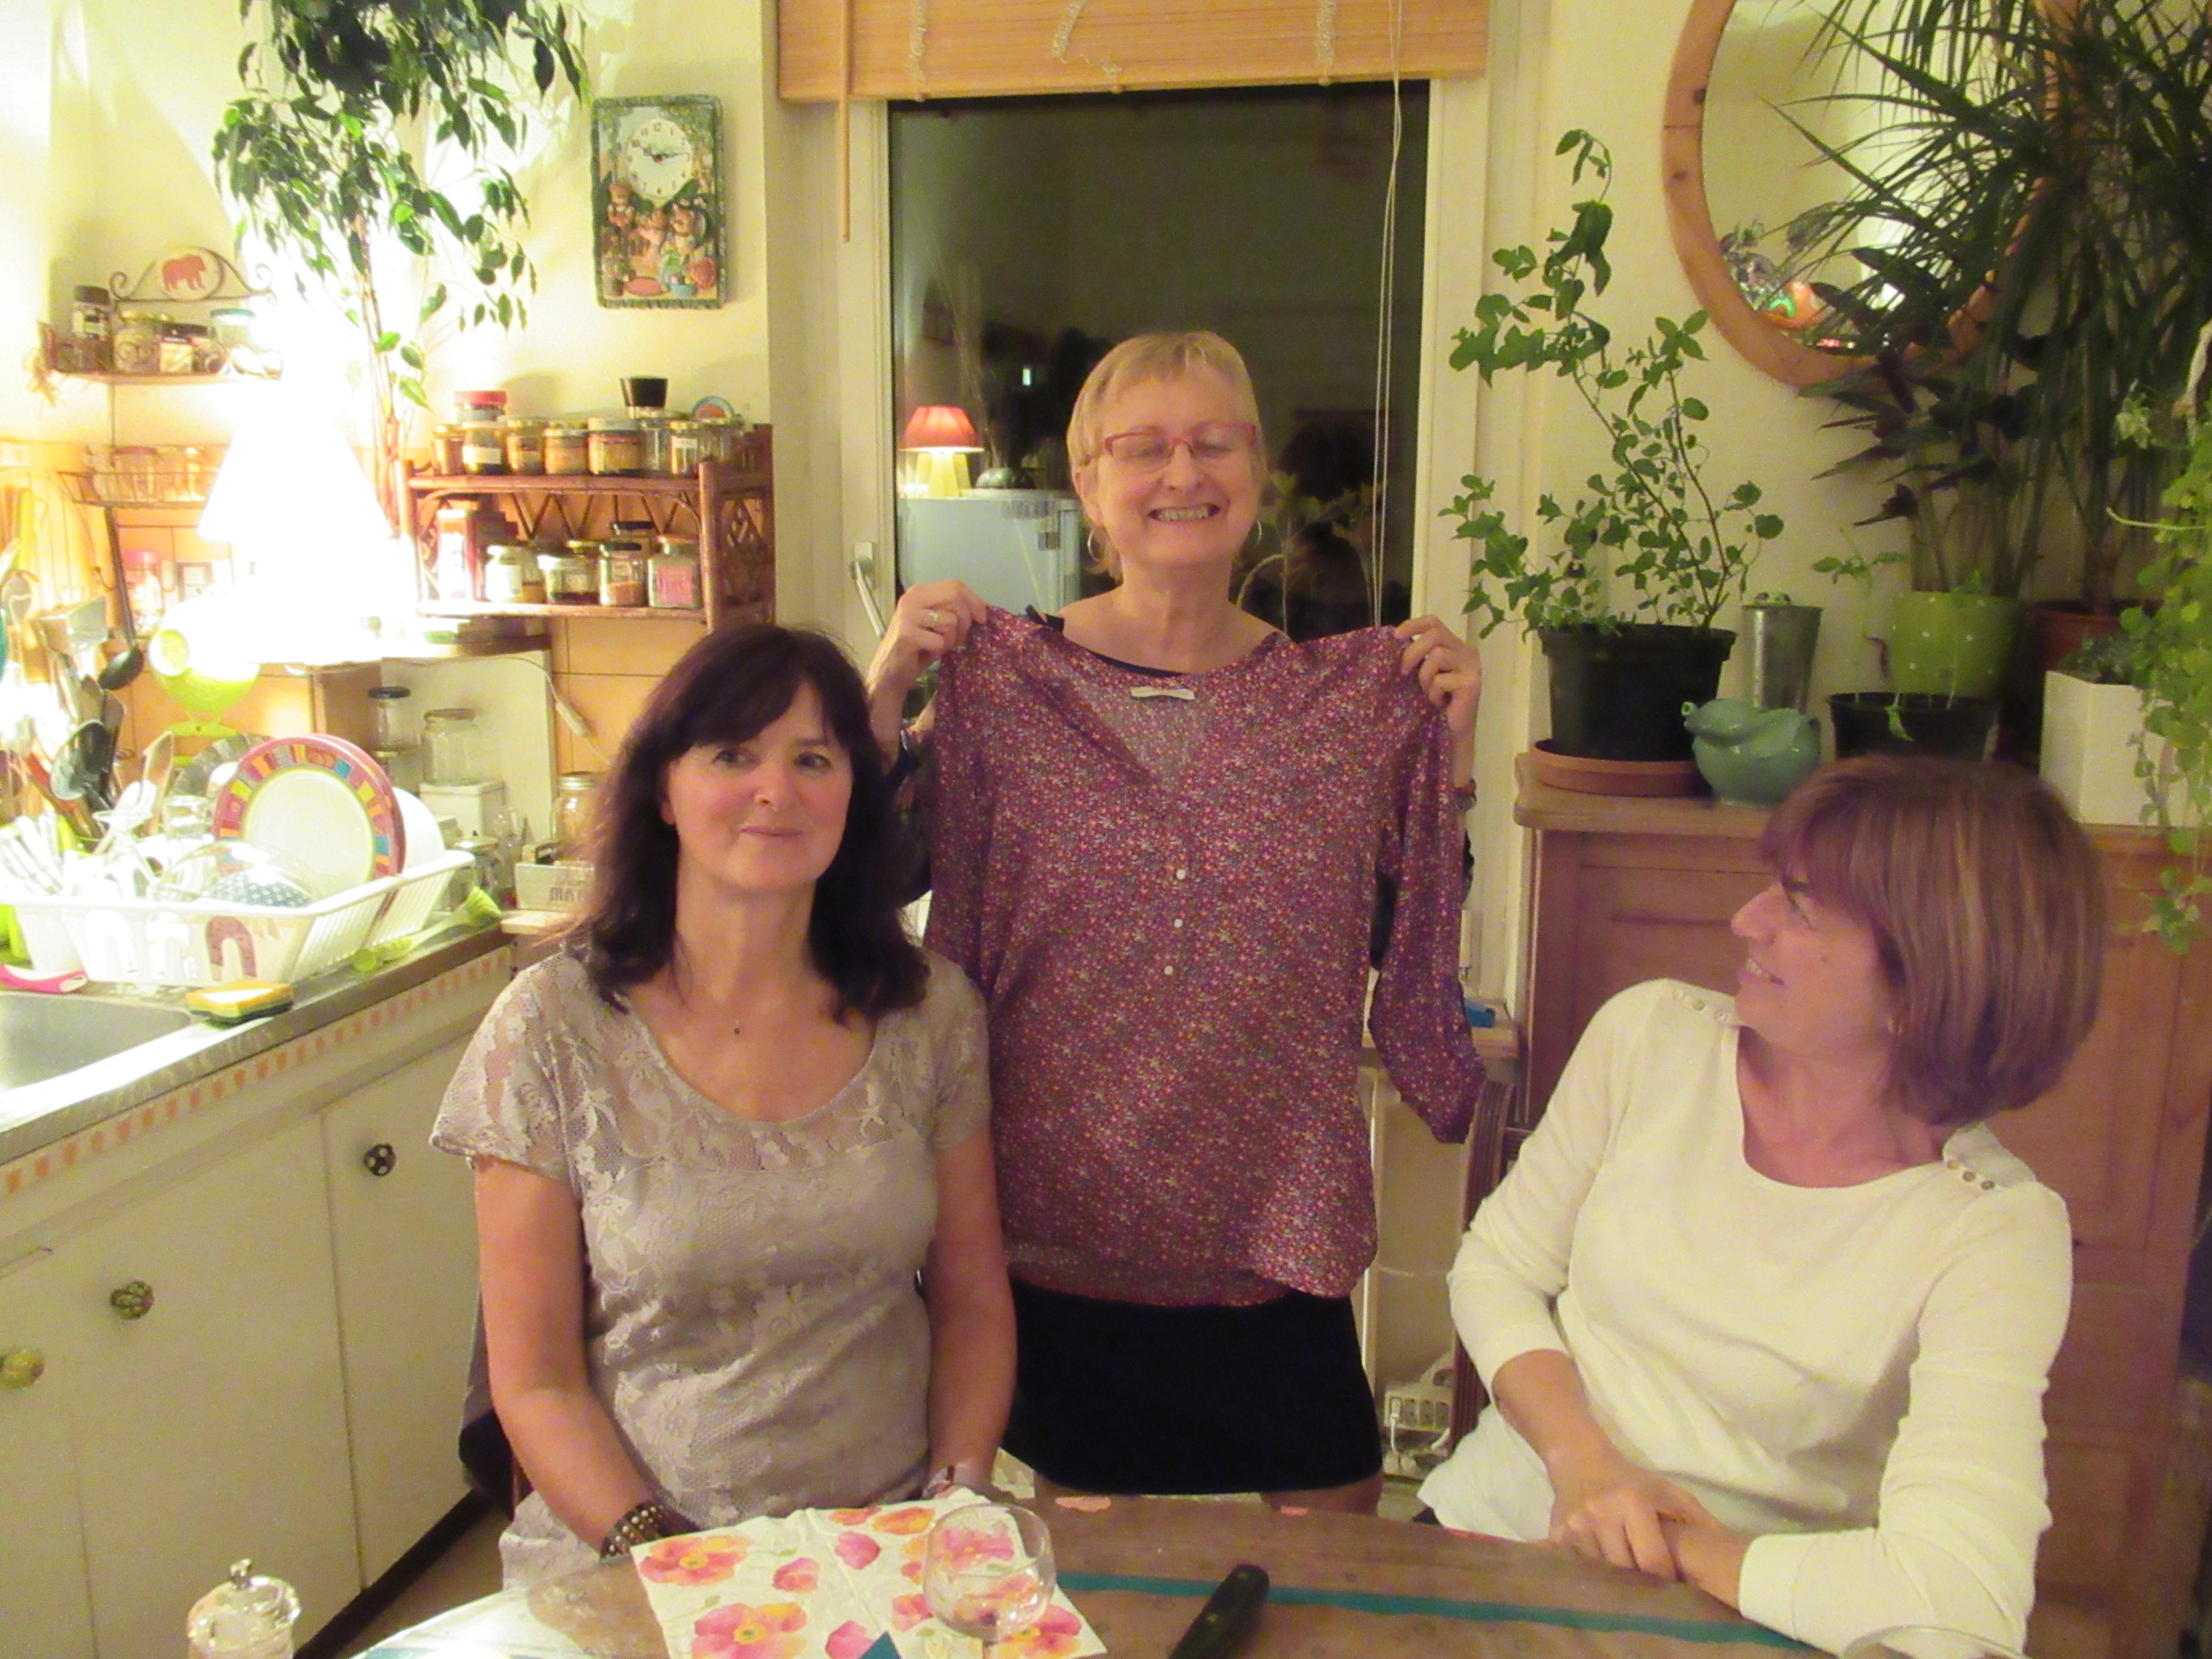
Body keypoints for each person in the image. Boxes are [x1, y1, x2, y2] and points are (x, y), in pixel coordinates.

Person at [865, 330, 1488, 1514]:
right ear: (1088, 484)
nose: (1182, 473)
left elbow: (1395, 925)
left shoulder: (1340, 708)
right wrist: (887, 688)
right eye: (1142, 448)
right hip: (1056, 1227)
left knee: (1333, 1551)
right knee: (1091, 1573)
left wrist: (1445, 760)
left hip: (1275, 1229)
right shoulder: (1005, 688)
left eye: (1214, 443)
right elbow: (872, 875)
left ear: (1258, 474)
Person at [1418, 756, 2106, 1653]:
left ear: (1928, 982)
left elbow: (1962, 1598)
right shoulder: (1651, 1038)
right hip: (1492, 1536)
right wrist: (1580, 1461)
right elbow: (1498, 1267)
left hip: (1744, 1615)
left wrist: (1662, 1542)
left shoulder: (1995, 1232)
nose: (1748, 919)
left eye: (1802, 907)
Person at [435, 623, 1014, 1585]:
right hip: (630, 1555)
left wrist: (955, 1503)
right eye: (733, 756)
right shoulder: (549, 1027)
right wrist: (673, 1561)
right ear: (663, 791)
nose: (776, 790)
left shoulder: (931, 1014)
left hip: (887, 1546)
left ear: (853, 794)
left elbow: (973, 1304)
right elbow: (534, 1382)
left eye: (813, 759)